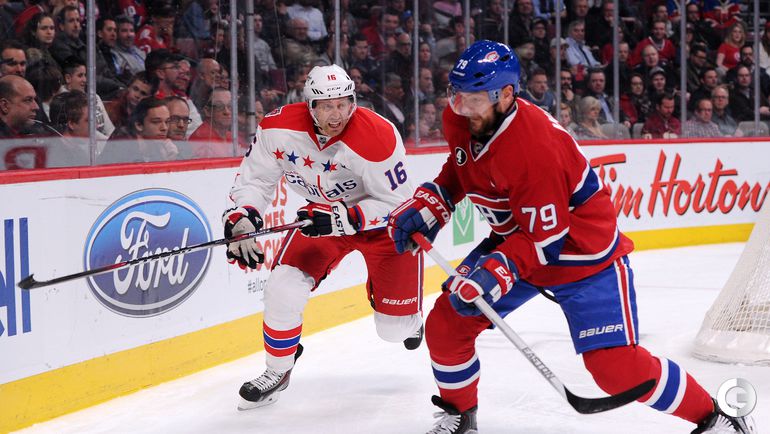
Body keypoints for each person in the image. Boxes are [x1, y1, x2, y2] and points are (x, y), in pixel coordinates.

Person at [385, 40, 756, 434]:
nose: (461, 107)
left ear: (506, 95)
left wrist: (496, 272)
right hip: (521, 239)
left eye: (473, 99)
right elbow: (463, 164)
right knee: (447, 323)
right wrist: (435, 201)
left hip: (582, 255)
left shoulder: (534, 148)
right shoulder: (464, 115)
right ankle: (461, 416)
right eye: (456, 95)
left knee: (615, 369)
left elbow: (547, 241)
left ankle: (718, 417)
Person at [224, 64, 424, 410]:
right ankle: (278, 370)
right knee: (282, 287)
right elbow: (256, 180)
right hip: (323, 219)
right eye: (327, 106)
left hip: (381, 227)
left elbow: (399, 204)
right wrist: (242, 219)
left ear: (353, 102)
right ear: (310, 106)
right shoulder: (277, 128)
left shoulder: (378, 135)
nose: (337, 114)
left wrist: (347, 217)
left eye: (344, 104)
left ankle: (408, 319)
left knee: (393, 331)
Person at [99, 97, 178, 164]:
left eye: (167, 122)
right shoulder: (122, 143)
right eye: (156, 122)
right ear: (139, 125)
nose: (164, 128)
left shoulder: (160, 146)